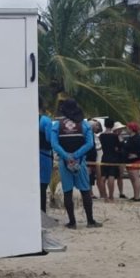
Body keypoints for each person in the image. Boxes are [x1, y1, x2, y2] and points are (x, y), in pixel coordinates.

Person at [49, 98, 102, 229]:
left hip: (64, 163)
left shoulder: (57, 125)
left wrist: (67, 156)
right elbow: (89, 143)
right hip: (80, 162)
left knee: (68, 192)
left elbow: (54, 144)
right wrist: (76, 156)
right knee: (85, 191)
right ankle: (90, 221)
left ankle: (72, 222)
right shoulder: (84, 125)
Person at [98, 120, 124, 201]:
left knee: (103, 177)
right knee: (111, 176)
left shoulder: (101, 136)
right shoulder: (115, 136)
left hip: (105, 157)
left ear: (105, 125)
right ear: (112, 126)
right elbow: (119, 146)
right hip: (113, 158)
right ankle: (111, 196)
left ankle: (104, 196)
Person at [122, 122, 140, 202]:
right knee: (132, 178)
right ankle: (135, 195)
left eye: (127, 128)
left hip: (136, 160)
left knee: (135, 177)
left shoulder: (137, 137)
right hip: (129, 160)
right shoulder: (130, 138)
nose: (126, 130)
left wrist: (136, 154)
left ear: (131, 129)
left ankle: (137, 196)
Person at [38, 99, 54, 213]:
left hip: (28, 157)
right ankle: (42, 212)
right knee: (42, 186)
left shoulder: (23, 119)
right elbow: (50, 139)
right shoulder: (45, 121)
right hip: (44, 155)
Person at [87, 120, 104, 198]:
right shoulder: (88, 135)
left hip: (95, 159)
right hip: (90, 159)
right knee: (89, 177)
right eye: (96, 125)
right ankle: (90, 193)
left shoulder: (94, 135)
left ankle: (101, 193)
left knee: (95, 177)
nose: (97, 127)